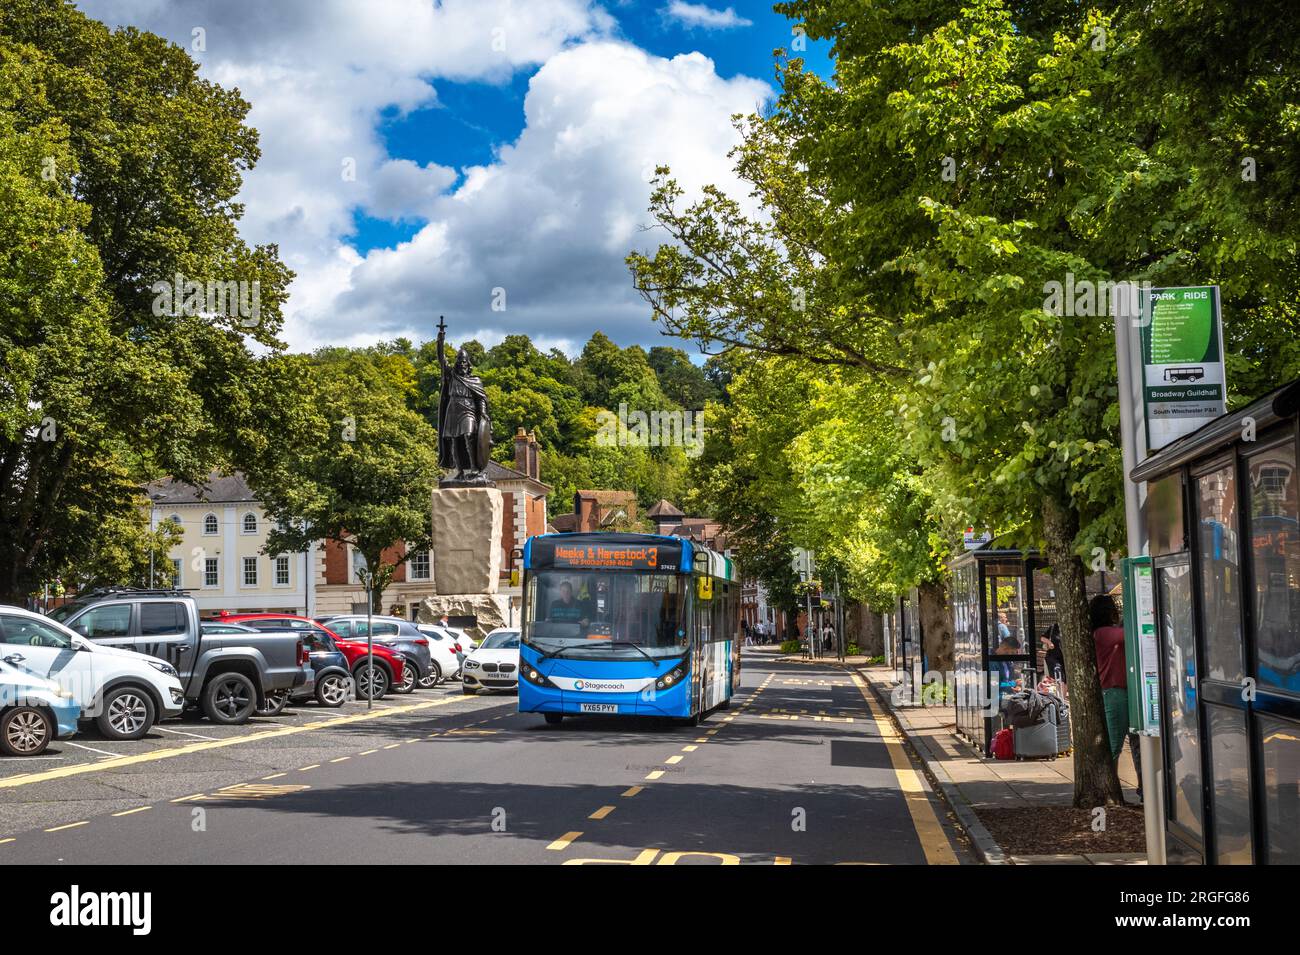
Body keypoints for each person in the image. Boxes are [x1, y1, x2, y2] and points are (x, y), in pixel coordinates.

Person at [1089, 594, 1142, 799]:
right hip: (1115, 693)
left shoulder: (1102, 633)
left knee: (1137, 741)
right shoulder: (1102, 633)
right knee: (1114, 745)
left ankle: (1143, 786)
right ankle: (1108, 791)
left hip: (1123, 692)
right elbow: (1128, 634)